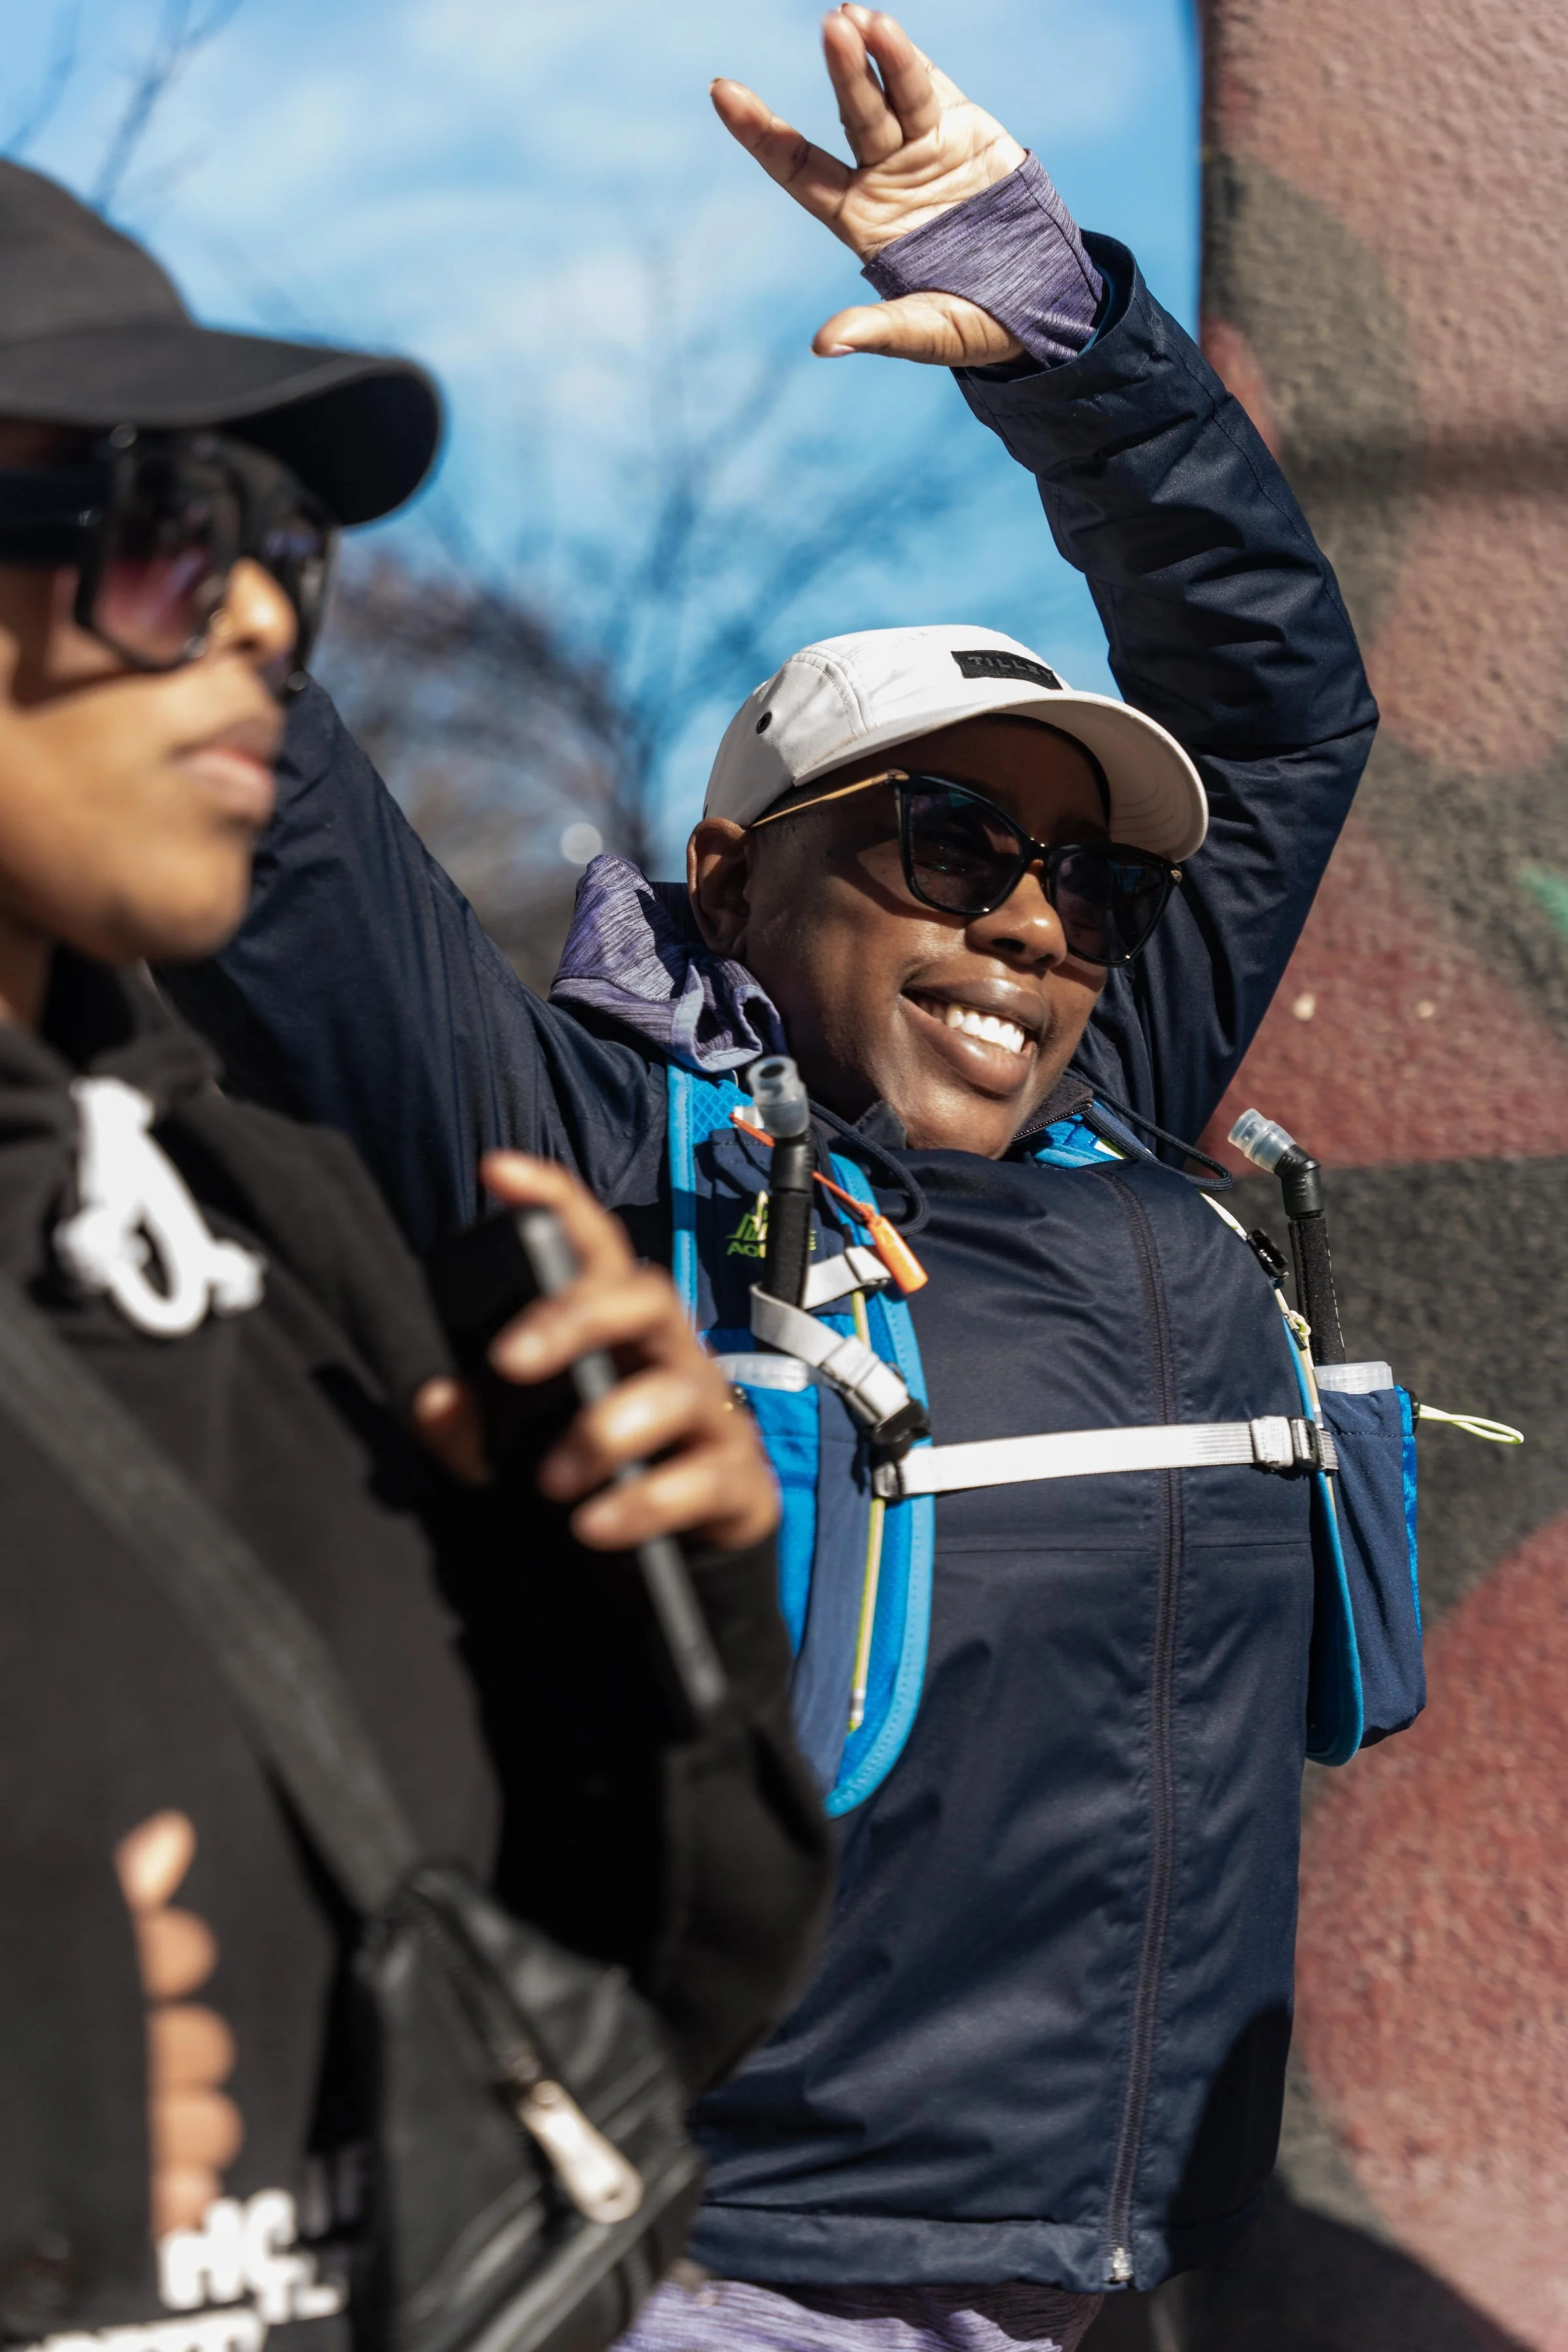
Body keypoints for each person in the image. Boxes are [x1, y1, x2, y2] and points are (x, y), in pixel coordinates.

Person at [163, 10, 1380, 2351]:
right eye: (945, 843)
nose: (1031, 924)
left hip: (1123, 2287)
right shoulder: (602, 1157)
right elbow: (295, 849)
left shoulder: (1106, 1113)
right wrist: (113, 454)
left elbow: (1279, 703)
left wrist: (1062, 323)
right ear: (731, 880)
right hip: (726, 2294)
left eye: (1081, 886)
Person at [0, 159, 830, 2352]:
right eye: (162, 522)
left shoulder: (275, 1229)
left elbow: (658, 2005)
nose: (270, 619)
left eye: (283, 550)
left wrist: (662, 1624)